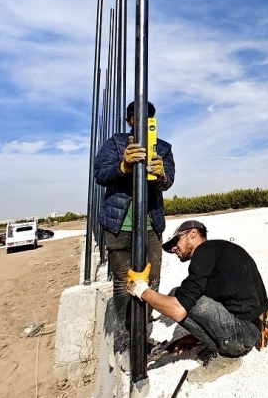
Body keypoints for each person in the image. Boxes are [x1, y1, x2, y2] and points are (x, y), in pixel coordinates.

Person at [126, 220, 268, 383]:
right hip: (253, 330)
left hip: (241, 336)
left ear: (193, 234)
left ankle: (228, 356)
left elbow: (178, 310)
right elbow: (230, 303)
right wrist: (195, 337)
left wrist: (140, 289)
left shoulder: (204, 251)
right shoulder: (221, 252)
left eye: (176, 241)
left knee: (178, 296)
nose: (173, 248)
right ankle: (227, 345)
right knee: (188, 296)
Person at [93, 101, 175, 360]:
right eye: (138, 117)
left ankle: (144, 340)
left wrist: (162, 175)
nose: (143, 121)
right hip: (120, 225)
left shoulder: (163, 148)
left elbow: (168, 182)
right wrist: (123, 166)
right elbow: (100, 174)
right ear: (129, 120)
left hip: (150, 225)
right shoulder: (115, 144)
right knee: (123, 285)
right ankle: (126, 345)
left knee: (151, 283)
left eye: (149, 117)